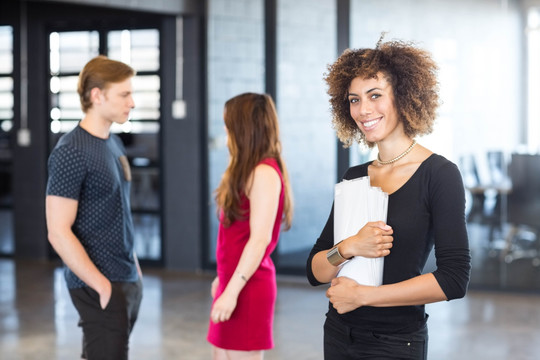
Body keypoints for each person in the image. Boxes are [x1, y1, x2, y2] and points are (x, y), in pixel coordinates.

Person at [306, 37, 471, 359]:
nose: (363, 110)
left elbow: (453, 279)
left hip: (396, 342)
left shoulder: (439, 174)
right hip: (338, 334)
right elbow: (315, 271)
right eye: (354, 100)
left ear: (405, 96)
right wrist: (348, 247)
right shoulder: (355, 176)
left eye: (375, 95)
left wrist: (364, 296)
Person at [46, 55, 143, 360]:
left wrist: (135, 268)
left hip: (126, 277)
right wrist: (101, 286)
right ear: (97, 96)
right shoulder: (71, 151)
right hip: (98, 284)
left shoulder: (113, 142)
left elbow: (119, 211)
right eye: (124, 94)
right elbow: (58, 232)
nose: (133, 102)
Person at [207, 92, 294, 360]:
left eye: (228, 122)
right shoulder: (244, 171)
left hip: (248, 287)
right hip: (233, 281)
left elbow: (259, 240)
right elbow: (235, 237)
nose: (224, 128)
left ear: (243, 127)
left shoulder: (264, 173)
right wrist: (224, 279)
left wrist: (231, 291)